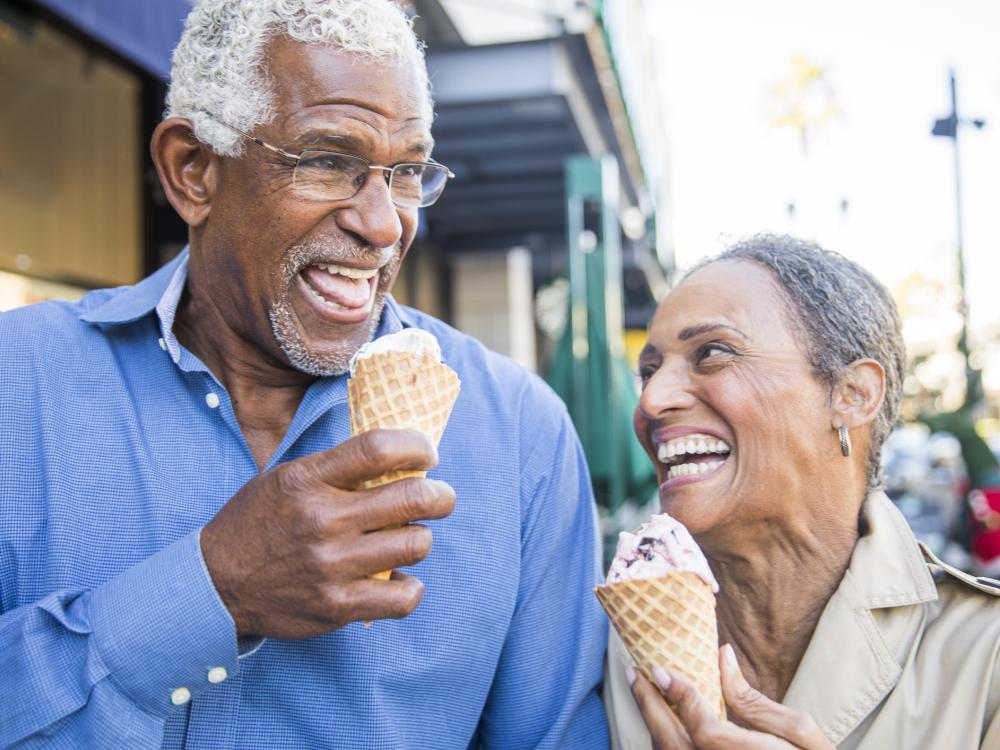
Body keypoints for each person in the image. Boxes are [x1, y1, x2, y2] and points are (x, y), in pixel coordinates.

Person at [0, 1, 607, 747]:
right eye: (328, 160)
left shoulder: (523, 438)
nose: (384, 225)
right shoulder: (14, 384)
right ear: (193, 171)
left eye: (408, 171)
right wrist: (210, 591)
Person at [605, 234, 1000, 749]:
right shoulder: (599, 644)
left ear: (852, 395)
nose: (653, 400)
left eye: (713, 352)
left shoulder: (984, 656)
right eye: (649, 371)